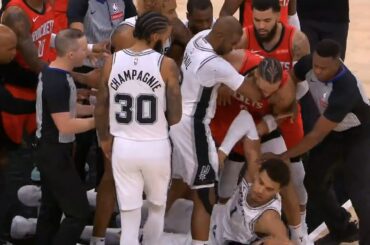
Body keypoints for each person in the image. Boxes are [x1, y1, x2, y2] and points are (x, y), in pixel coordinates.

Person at [262, 39, 369, 244]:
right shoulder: (310, 63)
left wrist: (281, 156)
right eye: (315, 66)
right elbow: (293, 76)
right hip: (334, 133)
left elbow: (315, 136)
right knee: (313, 182)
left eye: (323, 68)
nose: (317, 71)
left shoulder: (346, 89)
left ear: (337, 63)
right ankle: (342, 229)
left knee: (361, 195)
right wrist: (291, 100)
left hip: (359, 135)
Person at [168, 16, 261, 245]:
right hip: (193, 126)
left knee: (181, 178)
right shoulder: (213, 64)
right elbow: (255, 94)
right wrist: (256, 64)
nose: (232, 50)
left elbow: (223, 60)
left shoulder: (200, 38)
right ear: (220, 37)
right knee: (206, 190)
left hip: (178, 118)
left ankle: (153, 221)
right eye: (231, 44)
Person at [95, 11, 182, 245]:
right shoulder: (167, 65)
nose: (167, 41)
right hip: (155, 146)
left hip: (122, 145)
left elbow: (101, 107)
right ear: (155, 36)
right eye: (166, 37)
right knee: (156, 208)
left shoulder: (111, 61)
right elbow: (175, 116)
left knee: (129, 215)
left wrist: (104, 139)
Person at [35, 28, 95, 245]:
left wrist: (96, 111)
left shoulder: (57, 73)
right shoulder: (58, 81)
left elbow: (68, 110)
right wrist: (100, 122)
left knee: (50, 211)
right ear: (71, 54)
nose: (87, 54)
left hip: (52, 150)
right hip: (54, 152)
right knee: (78, 212)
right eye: (83, 50)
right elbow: (66, 124)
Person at [1, 0, 54, 150]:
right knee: (14, 153)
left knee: (36, 143)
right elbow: (34, 62)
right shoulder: (16, 13)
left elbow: (46, 34)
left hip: (37, 82)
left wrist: (88, 49)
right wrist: (73, 78)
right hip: (17, 86)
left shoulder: (48, 4)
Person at [211, 158, 292, 245]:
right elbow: (251, 150)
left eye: (269, 189)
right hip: (216, 220)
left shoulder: (268, 216)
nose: (260, 191)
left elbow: (285, 241)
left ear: (278, 190)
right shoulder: (250, 174)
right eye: (261, 182)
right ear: (257, 173)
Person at [220, 0, 300, 30]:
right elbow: (225, 13)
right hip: (252, 45)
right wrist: (239, 36)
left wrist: (296, 38)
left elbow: (292, 14)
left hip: (282, 43)